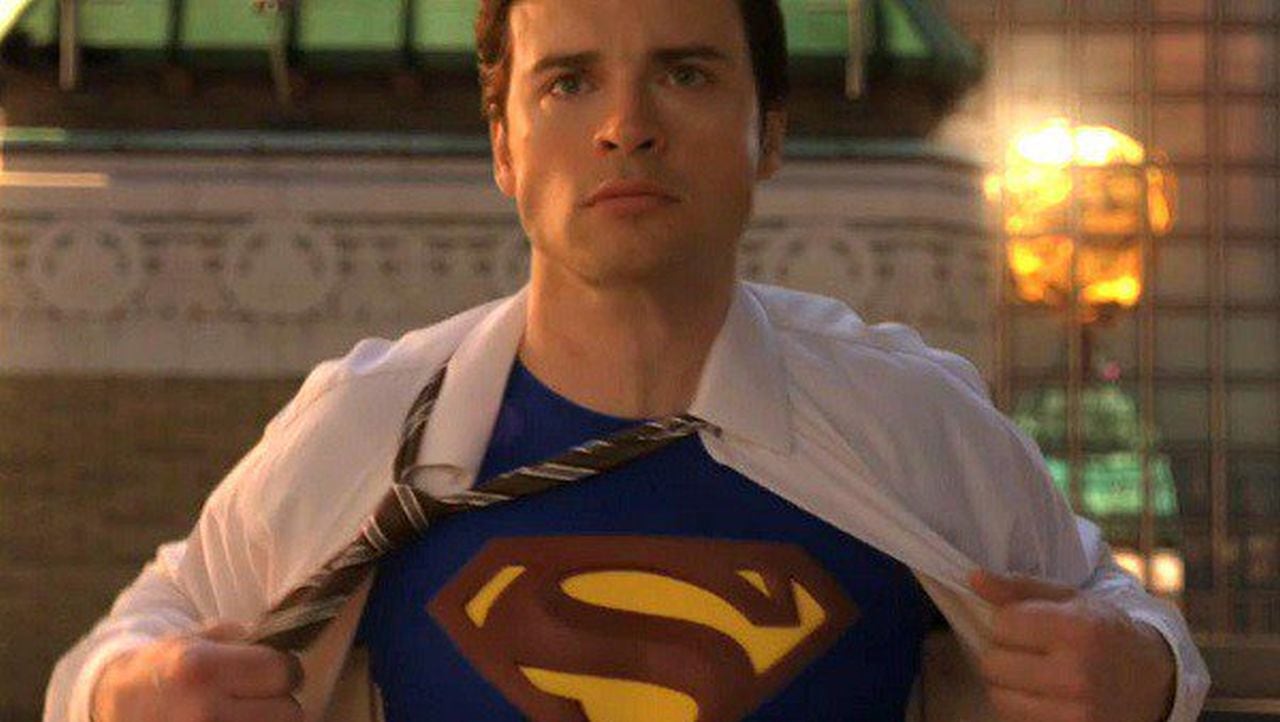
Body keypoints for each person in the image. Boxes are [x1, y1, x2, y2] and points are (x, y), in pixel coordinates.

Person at [45, 1, 1209, 721]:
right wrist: (132, 692)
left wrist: (1139, 674)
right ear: (504, 146)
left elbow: (1121, 618)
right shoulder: (378, 424)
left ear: (768, 133)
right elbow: (127, 646)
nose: (625, 125)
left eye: (685, 71)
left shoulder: (906, 419)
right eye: (568, 81)